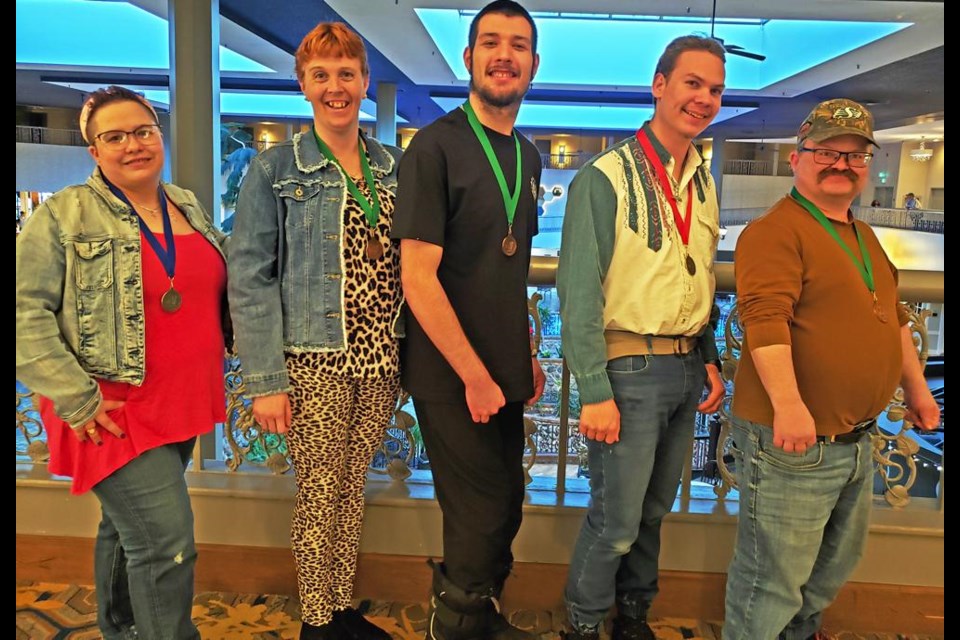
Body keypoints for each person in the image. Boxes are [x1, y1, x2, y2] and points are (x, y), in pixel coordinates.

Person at [723, 99, 941, 640]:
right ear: (797, 159)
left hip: (856, 440)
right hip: (793, 444)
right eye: (826, 152)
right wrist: (790, 407)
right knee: (770, 583)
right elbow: (765, 323)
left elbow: (892, 318)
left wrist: (917, 390)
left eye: (854, 156)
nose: (841, 164)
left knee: (826, 574)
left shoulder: (864, 237)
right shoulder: (776, 232)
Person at [16, 85, 228, 640]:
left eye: (143, 131)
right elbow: (23, 313)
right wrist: (75, 397)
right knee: (166, 544)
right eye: (115, 137)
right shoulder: (64, 214)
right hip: (112, 407)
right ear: (94, 150)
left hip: (177, 399)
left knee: (124, 528)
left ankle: (123, 629)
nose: (133, 145)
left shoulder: (184, 202)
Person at [227, 22, 401, 640]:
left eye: (346, 73)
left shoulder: (392, 167)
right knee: (319, 495)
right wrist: (266, 380)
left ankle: (340, 606)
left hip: (382, 359)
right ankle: (318, 622)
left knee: (351, 489)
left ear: (364, 82)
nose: (336, 87)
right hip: (312, 359)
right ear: (303, 84)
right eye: (321, 75)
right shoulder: (277, 169)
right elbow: (249, 277)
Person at [557, 35, 727, 640]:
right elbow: (577, 295)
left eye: (714, 89)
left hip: (685, 368)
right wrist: (593, 390)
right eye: (692, 83)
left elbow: (698, 273)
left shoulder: (704, 179)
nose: (704, 98)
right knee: (616, 521)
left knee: (654, 513)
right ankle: (579, 625)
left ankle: (632, 618)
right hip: (626, 371)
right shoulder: (604, 177)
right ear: (660, 85)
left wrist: (707, 358)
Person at [391, 2, 544, 638]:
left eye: (517, 45)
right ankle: (451, 625)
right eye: (490, 42)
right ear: (470, 58)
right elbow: (417, 277)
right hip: (450, 370)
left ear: (534, 65)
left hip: (505, 365)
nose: (503, 54)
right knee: (478, 508)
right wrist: (476, 375)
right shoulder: (435, 148)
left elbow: (508, 272)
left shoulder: (529, 157)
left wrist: (526, 353)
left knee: (506, 503)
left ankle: (478, 614)